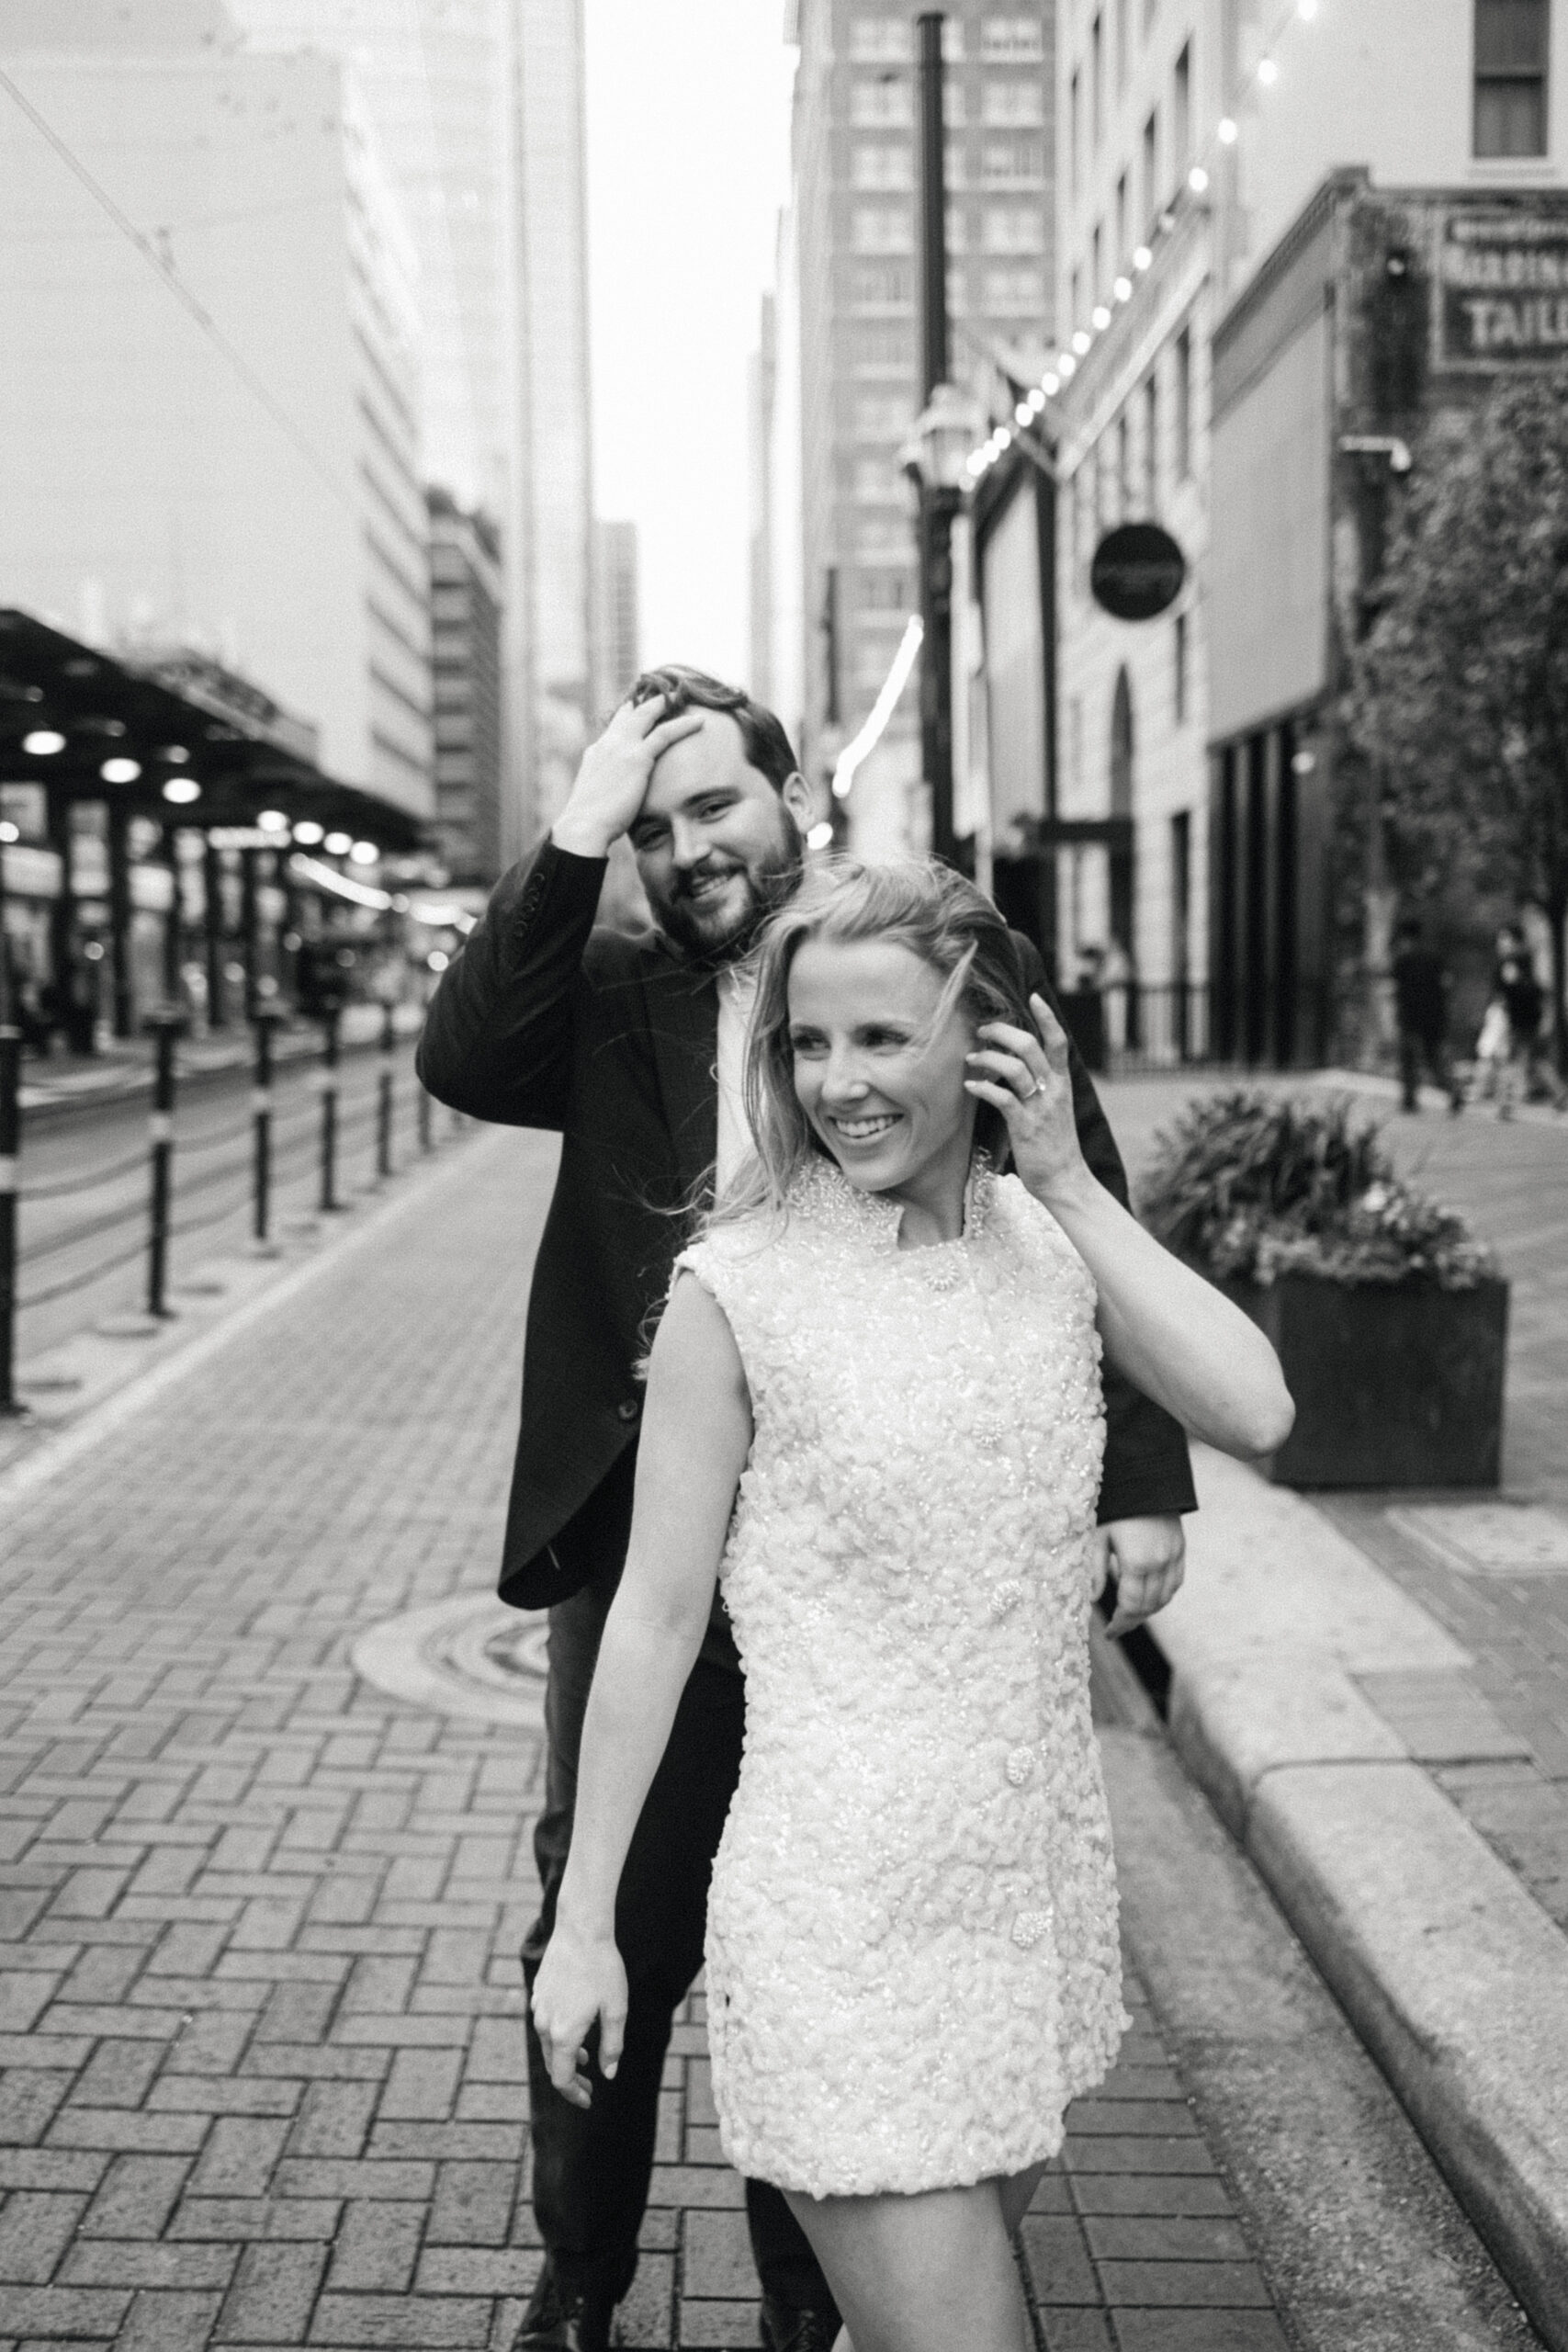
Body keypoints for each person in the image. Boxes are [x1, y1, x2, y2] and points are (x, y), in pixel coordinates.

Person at [415, 670, 1197, 2352]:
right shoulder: (615, 998)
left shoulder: (922, 959)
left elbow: (1084, 1215)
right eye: (651, 825)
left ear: (792, 796)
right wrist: (573, 826)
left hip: (875, 1548)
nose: (686, 847)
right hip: (659, 1549)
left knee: (829, 1916)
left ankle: (819, 2298)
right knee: (607, 1899)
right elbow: (464, 1050)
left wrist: (1140, 1484)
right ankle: (586, 2266)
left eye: (713, 805)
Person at [530, 858, 1293, 2352]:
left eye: (879, 1040)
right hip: (840, 1923)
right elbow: (654, 1621)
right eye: (809, 1044)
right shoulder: (737, 1290)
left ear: (988, 1040)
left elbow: (1254, 1408)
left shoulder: (1048, 1246)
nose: (835, 1084)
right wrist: (586, 1925)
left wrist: (1071, 1182)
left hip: (1023, 1905)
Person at [1390, 915, 1461, 1114]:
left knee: (1408, 1058)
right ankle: (1452, 1090)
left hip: (1410, 1017)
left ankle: (1409, 1098)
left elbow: (1394, 990)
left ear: (1405, 937)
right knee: (1433, 1058)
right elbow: (1447, 985)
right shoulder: (1434, 959)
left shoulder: (1402, 961)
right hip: (1434, 1016)